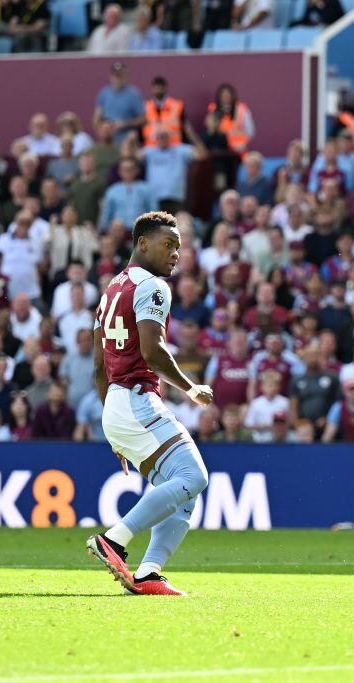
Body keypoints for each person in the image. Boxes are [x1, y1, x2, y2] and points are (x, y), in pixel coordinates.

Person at [85, 211, 214, 598]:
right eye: (168, 244)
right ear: (142, 244)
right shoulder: (152, 286)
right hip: (137, 399)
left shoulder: (111, 288)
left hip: (119, 405)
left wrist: (114, 425)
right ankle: (114, 541)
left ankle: (148, 572)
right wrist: (191, 389)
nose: (176, 253)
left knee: (181, 486)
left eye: (179, 247)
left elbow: (97, 367)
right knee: (194, 478)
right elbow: (153, 350)